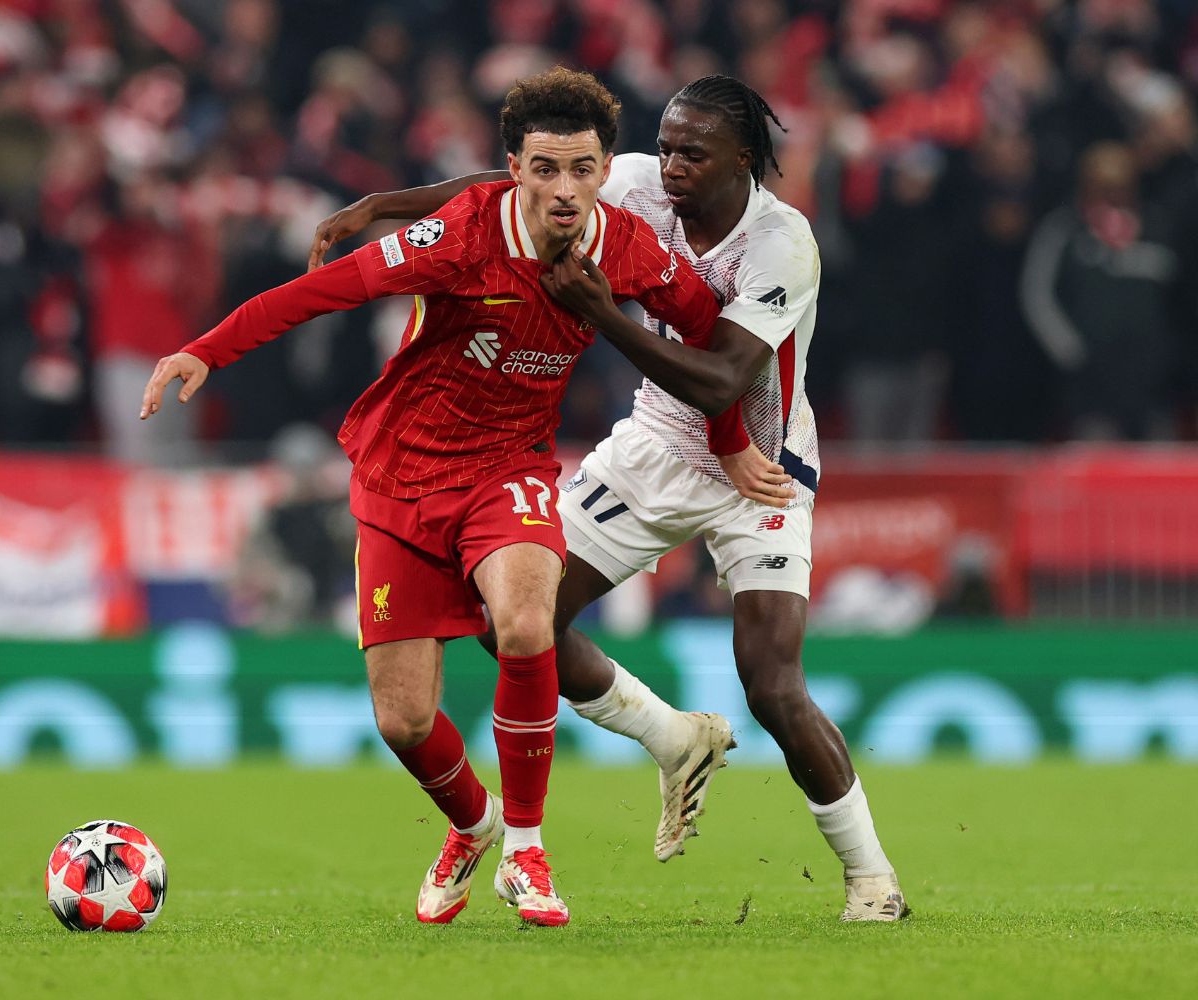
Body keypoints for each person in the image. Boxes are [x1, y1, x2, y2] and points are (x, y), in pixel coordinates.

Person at [141, 67, 761, 927]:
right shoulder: (459, 237)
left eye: (583, 169)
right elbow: (325, 290)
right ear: (513, 168)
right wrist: (206, 349)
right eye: (545, 169)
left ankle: (529, 851)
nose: (566, 189)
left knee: (524, 623)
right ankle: (475, 825)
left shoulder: (624, 245)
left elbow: (709, 343)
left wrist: (732, 447)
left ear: (604, 168)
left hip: (510, 472)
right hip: (399, 477)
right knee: (403, 721)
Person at [309, 75, 909, 922]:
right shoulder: (631, 182)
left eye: (691, 153)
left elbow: (723, 377)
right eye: (663, 146)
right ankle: (673, 736)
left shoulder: (782, 244)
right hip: (653, 450)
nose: (668, 167)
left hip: (760, 469)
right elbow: (502, 189)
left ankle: (873, 880)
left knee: (771, 682)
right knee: (513, 620)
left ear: (743, 160)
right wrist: (381, 206)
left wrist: (603, 311)